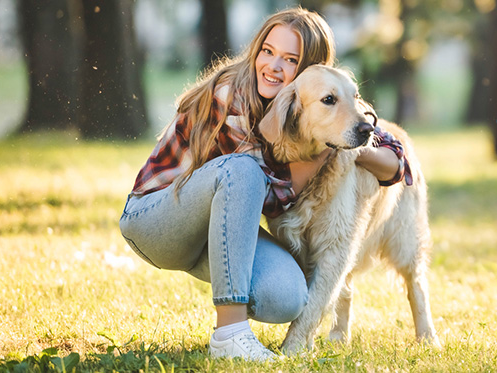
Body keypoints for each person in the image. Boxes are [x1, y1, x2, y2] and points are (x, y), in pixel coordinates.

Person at [118, 8, 411, 361]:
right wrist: (328, 151)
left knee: (288, 296)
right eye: (267, 51)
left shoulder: (315, 100)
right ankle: (230, 333)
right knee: (244, 171)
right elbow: (272, 197)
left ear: (309, 73)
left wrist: (351, 142)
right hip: (156, 220)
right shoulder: (233, 97)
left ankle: (238, 327)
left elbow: (394, 162)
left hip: (212, 231)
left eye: (290, 59)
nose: (272, 66)